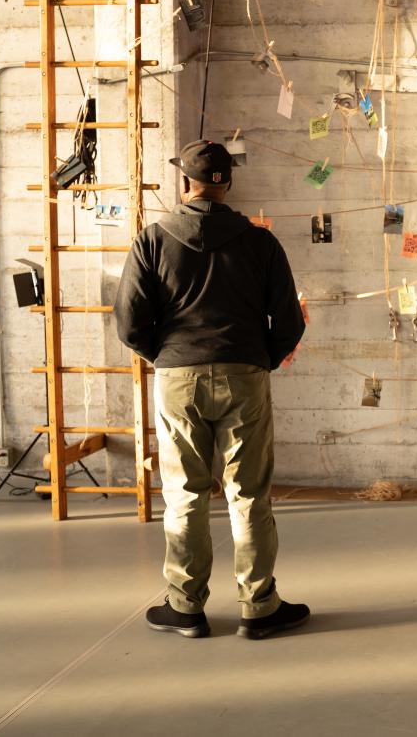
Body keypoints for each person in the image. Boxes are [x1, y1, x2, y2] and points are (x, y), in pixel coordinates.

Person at [115, 139, 309, 639]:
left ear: (185, 182)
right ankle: (259, 607)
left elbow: (129, 322)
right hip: (244, 374)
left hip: (178, 377)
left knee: (184, 493)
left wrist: (167, 357)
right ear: (229, 184)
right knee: (249, 495)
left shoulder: (153, 238)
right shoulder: (261, 242)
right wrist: (260, 359)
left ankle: (185, 608)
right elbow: (287, 320)